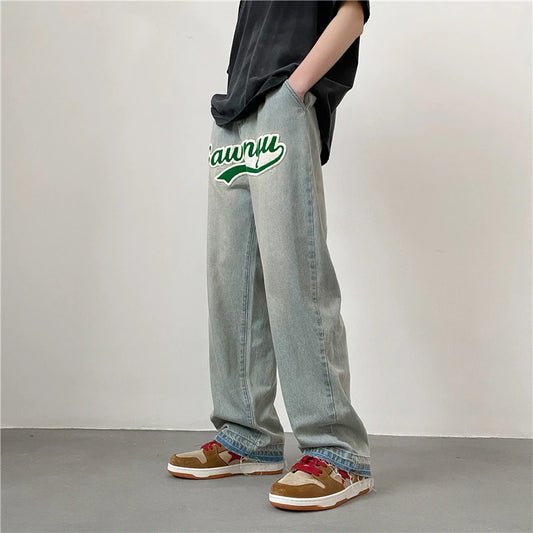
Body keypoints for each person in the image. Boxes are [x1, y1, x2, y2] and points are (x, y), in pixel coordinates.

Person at [168, 0, 373, 512]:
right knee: (230, 278)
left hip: (283, 102)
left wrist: (294, 90)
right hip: (234, 116)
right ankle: (247, 435)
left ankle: (337, 451)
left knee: (294, 273)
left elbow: (352, 13)